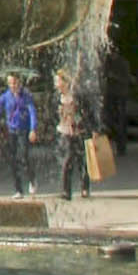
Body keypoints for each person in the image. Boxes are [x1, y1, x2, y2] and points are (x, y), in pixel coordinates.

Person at [0, 71, 39, 193]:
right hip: (12, 131)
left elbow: (32, 112)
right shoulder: (5, 97)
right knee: (13, 160)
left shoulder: (26, 96)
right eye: (10, 83)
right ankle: (18, 189)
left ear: (19, 82)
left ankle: (32, 178)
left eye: (15, 82)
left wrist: (33, 129)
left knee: (24, 156)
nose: (13, 85)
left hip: (24, 130)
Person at [54, 66, 91, 202]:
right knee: (67, 160)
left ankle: (84, 186)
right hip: (65, 132)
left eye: (58, 81)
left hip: (78, 132)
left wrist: (83, 125)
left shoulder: (76, 96)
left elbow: (86, 112)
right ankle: (66, 191)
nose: (56, 84)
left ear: (65, 82)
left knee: (81, 160)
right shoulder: (58, 98)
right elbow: (55, 114)